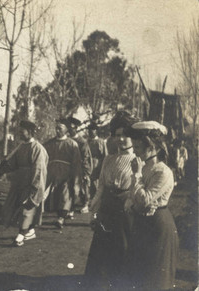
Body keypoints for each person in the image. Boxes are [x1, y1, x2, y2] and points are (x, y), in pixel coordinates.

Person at [84, 111, 138, 289]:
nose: (121, 139)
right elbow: (101, 186)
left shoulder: (138, 160)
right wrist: (94, 208)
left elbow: (137, 188)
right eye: (117, 135)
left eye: (125, 135)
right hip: (107, 210)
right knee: (100, 253)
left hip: (125, 211)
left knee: (121, 251)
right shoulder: (108, 159)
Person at [125, 121, 178, 290]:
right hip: (142, 224)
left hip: (158, 226)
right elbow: (132, 196)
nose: (134, 151)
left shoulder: (162, 171)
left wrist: (137, 175)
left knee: (155, 278)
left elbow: (143, 199)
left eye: (138, 148)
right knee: (139, 274)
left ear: (152, 147)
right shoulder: (144, 167)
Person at [0, 120, 48, 246]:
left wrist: (34, 187)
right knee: (14, 207)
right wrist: (0, 171)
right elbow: (12, 163)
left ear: (29, 132)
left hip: (30, 182)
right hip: (19, 182)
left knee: (27, 207)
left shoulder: (37, 148)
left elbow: (38, 171)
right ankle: (29, 230)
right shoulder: (21, 147)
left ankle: (21, 234)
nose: (19, 133)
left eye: (22, 131)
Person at [43, 119, 82, 228]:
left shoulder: (72, 144)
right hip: (51, 173)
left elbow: (76, 163)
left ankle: (60, 219)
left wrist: (75, 177)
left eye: (60, 128)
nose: (57, 130)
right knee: (48, 195)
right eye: (57, 128)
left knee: (65, 195)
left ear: (66, 130)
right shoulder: (49, 143)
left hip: (66, 174)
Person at [66, 116, 93, 215]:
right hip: (69, 168)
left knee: (84, 187)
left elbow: (85, 157)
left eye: (72, 128)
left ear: (76, 128)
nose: (70, 130)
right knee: (69, 187)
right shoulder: (67, 140)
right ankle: (71, 207)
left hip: (80, 168)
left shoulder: (82, 142)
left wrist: (86, 172)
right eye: (69, 128)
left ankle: (85, 204)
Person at [87, 122, 107, 206]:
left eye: (93, 130)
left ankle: (97, 200)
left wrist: (103, 165)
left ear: (96, 131)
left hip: (97, 163)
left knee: (96, 182)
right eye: (90, 130)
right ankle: (89, 200)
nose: (91, 132)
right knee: (88, 183)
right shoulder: (86, 141)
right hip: (88, 163)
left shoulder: (101, 142)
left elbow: (105, 154)